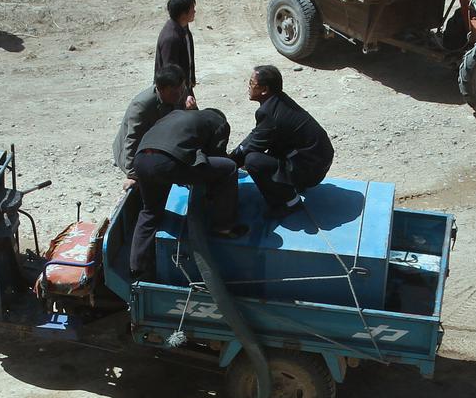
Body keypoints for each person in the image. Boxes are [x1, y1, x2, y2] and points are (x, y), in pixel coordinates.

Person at [129, 105, 244, 280]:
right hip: (167, 163)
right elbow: (216, 156)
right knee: (228, 168)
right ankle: (224, 226)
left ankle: (137, 267)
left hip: (142, 159)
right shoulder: (219, 123)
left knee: (150, 211)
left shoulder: (177, 115)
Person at [234, 63, 334, 215]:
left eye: (251, 83)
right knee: (262, 152)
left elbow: (253, 146)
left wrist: (229, 164)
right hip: (318, 159)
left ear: (264, 90)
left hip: (312, 169)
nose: (248, 87)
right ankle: (292, 183)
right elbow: (256, 136)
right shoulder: (278, 101)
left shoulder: (269, 113)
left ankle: (289, 203)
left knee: (253, 161)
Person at [113, 66, 187, 176]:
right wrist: (133, 174)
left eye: (182, 90)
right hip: (139, 149)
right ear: (160, 89)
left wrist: (192, 109)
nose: (181, 95)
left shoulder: (179, 92)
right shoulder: (142, 106)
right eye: (175, 93)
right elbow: (132, 140)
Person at [156, 0, 198, 106]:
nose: (194, 11)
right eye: (192, 9)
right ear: (183, 14)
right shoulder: (171, 38)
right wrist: (184, 96)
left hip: (183, 90)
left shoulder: (183, 29)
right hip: (174, 95)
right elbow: (170, 74)